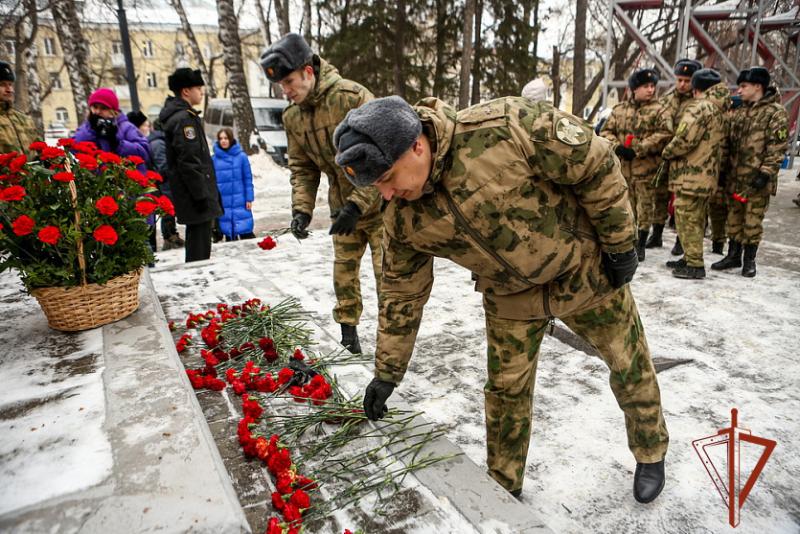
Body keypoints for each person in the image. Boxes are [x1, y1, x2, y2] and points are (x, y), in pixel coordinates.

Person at [334, 95, 669, 503]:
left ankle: (651, 450)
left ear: (416, 145)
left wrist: (619, 246)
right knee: (506, 394)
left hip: (584, 272)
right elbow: (402, 294)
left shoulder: (506, 126)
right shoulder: (403, 216)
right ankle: (504, 488)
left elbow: (595, 162)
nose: (385, 194)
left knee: (628, 361)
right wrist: (387, 372)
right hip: (510, 295)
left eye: (387, 177)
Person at [261, 33, 383, 354]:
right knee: (343, 272)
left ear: (309, 72)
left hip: (384, 206)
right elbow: (303, 168)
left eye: (289, 82)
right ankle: (349, 336)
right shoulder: (293, 117)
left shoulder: (352, 97)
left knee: (390, 276)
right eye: (281, 86)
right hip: (343, 208)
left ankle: (393, 340)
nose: (286, 92)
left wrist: (358, 204)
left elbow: (382, 156)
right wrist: (302, 209)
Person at [712, 67, 789, 277]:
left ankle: (749, 260)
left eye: (744, 86)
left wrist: (765, 174)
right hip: (735, 178)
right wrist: (722, 170)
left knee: (753, 221)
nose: (739, 90)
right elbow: (728, 142)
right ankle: (733, 255)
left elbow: (777, 147)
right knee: (734, 219)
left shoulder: (775, 113)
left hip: (757, 179)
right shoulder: (740, 111)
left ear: (758, 86)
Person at [661, 69, 729, 279]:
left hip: (691, 174)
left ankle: (695, 264)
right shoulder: (719, 109)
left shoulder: (700, 108)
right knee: (695, 218)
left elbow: (684, 139)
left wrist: (667, 151)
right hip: (705, 174)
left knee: (687, 217)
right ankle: (690, 257)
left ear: (697, 88)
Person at [600, 68, 672, 262]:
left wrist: (639, 148)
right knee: (627, 207)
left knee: (645, 207)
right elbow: (606, 131)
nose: (650, 90)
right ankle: (628, 242)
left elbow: (664, 133)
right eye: (645, 86)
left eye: (652, 86)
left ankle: (640, 244)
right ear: (634, 89)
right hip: (624, 170)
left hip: (646, 169)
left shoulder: (660, 110)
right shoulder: (620, 110)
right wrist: (618, 147)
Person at [158, 68, 223, 263]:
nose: (201, 92)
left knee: (199, 244)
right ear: (186, 91)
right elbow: (189, 160)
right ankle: (200, 283)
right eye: (198, 88)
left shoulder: (183, 116)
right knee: (199, 248)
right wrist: (201, 194)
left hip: (192, 193)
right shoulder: (184, 119)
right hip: (195, 195)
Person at [658, 59, 702, 256]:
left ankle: (681, 241)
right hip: (665, 156)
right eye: (679, 79)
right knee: (659, 196)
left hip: (689, 159)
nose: (682, 84)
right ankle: (656, 233)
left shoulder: (700, 102)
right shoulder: (667, 99)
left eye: (687, 80)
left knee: (684, 205)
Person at [74, 88, 149, 170]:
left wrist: (117, 143)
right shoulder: (86, 127)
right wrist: (91, 130)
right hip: (98, 179)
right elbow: (74, 148)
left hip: (122, 178)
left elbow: (143, 152)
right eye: (95, 107)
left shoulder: (126, 127)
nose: (98, 111)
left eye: (103, 108)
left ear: (113, 111)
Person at [212, 127, 255, 241]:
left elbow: (247, 179)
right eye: (221, 138)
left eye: (226, 138)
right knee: (228, 233)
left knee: (245, 230)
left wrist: (249, 198)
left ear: (231, 139)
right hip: (223, 202)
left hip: (240, 200)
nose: (223, 141)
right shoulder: (214, 159)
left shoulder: (241, 157)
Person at [148, 119, 185, 250]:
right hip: (165, 182)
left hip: (164, 181)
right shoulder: (159, 143)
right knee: (167, 208)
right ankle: (169, 236)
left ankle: (171, 233)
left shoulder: (159, 141)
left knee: (169, 208)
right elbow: (163, 165)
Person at [0, 60, 38, 156]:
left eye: (10, 84)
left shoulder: (24, 120)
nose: (9, 90)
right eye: (2, 84)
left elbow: (39, 152)